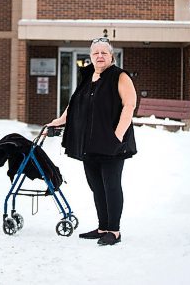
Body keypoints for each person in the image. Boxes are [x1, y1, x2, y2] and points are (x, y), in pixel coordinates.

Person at [46, 37, 137, 246]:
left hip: (113, 144)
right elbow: (76, 104)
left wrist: (118, 135)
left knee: (111, 186)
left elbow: (129, 105)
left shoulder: (119, 76)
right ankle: (102, 227)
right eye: (96, 53)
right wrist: (60, 120)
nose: (100, 56)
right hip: (90, 143)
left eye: (104, 52)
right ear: (90, 57)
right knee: (96, 186)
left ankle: (114, 231)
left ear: (111, 56)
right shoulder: (88, 77)